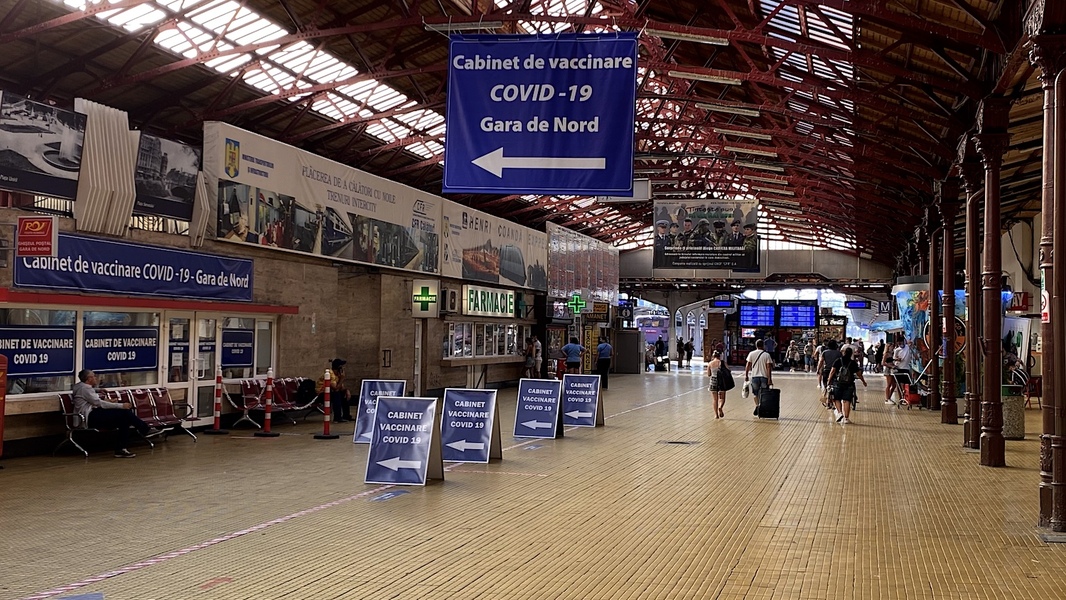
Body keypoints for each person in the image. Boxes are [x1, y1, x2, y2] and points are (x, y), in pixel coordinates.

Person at [72, 369, 159, 458]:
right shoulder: (85, 389)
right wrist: (121, 406)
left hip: (92, 414)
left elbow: (91, 396)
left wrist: (99, 390)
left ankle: (121, 449)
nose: (96, 378)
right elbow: (100, 403)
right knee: (125, 413)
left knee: (124, 420)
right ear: (89, 379)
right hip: (88, 417)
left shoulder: (80, 386)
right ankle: (144, 430)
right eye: (94, 376)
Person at [828, 347, 867, 424]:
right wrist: (863, 381)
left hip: (838, 383)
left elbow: (832, 371)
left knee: (837, 398)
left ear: (844, 353)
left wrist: (829, 380)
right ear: (851, 354)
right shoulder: (853, 363)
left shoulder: (838, 360)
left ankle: (839, 413)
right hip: (849, 384)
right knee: (847, 400)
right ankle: (846, 418)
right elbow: (859, 374)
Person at [744, 339, 775, 415]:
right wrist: (769, 379)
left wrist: (746, 375)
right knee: (764, 393)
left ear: (756, 345)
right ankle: (762, 407)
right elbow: (768, 367)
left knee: (755, 393)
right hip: (764, 377)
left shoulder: (751, 354)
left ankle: (757, 406)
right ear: (763, 346)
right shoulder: (767, 355)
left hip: (754, 376)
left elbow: (748, 365)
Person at [317, 358, 352, 422]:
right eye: (342, 368)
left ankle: (346, 416)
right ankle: (337, 417)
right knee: (336, 394)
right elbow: (335, 389)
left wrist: (346, 391)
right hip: (321, 394)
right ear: (338, 368)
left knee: (343, 394)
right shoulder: (330, 374)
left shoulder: (337, 375)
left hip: (330, 392)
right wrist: (342, 379)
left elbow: (341, 388)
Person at [707, 350, 728, 418]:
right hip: (722, 382)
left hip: (713, 382)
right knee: (722, 398)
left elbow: (709, 374)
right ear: (719, 356)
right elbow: (728, 371)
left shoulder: (710, 363)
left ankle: (716, 415)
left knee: (715, 399)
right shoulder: (723, 363)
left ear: (713, 356)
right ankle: (720, 407)